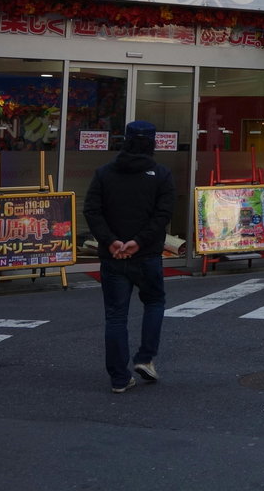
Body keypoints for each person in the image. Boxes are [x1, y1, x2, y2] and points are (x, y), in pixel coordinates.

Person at [83, 120, 175, 394]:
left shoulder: (104, 173)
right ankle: (145, 357)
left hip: (113, 257)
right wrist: (139, 242)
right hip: (147, 255)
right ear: (152, 143)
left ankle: (119, 378)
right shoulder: (161, 175)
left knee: (115, 316)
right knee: (154, 302)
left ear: (125, 141)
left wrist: (111, 241)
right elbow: (163, 214)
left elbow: (92, 210)